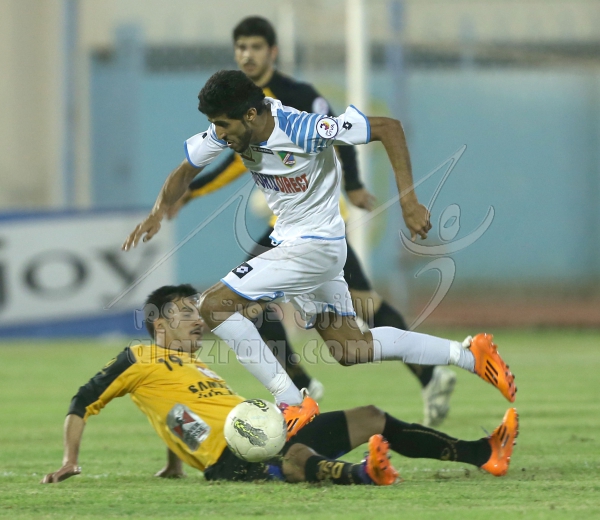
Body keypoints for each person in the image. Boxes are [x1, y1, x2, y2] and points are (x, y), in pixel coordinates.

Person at [122, 69, 516, 434]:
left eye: (224, 125)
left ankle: (291, 402)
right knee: (351, 348)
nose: (219, 135)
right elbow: (186, 170)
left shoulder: (304, 128)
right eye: (215, 125)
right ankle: (470, 355)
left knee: (213, 305)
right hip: (296, 245)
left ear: (251, 114)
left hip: (315, 247)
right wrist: (158, 211)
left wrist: (408, 202)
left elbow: (388, 128)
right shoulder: (227, 130)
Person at [167, 16, 456, 427]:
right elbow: (232, 161)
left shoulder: (297, 98)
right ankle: (306, 386)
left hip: (316, 228)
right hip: (286, 227)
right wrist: (191, 192)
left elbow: (344, 137)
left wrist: (354, 185)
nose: (247, 54)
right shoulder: (230, 110)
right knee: (283, 311)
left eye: (255, 47)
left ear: (272, 52)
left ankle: (302, 391)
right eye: (241, 47)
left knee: (352, 306)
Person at [41, 284, 519, 486]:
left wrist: (173, 463)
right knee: (293, 456)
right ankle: (361, 474)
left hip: (267, 429)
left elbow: (174, 414)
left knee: (372, 417)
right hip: (231, 456)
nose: (197, 320)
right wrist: (69, 460)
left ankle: (484, 453)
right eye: (185, 313)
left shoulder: (197, 367)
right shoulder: (139, 358)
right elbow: (83, 400)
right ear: (158, 325)